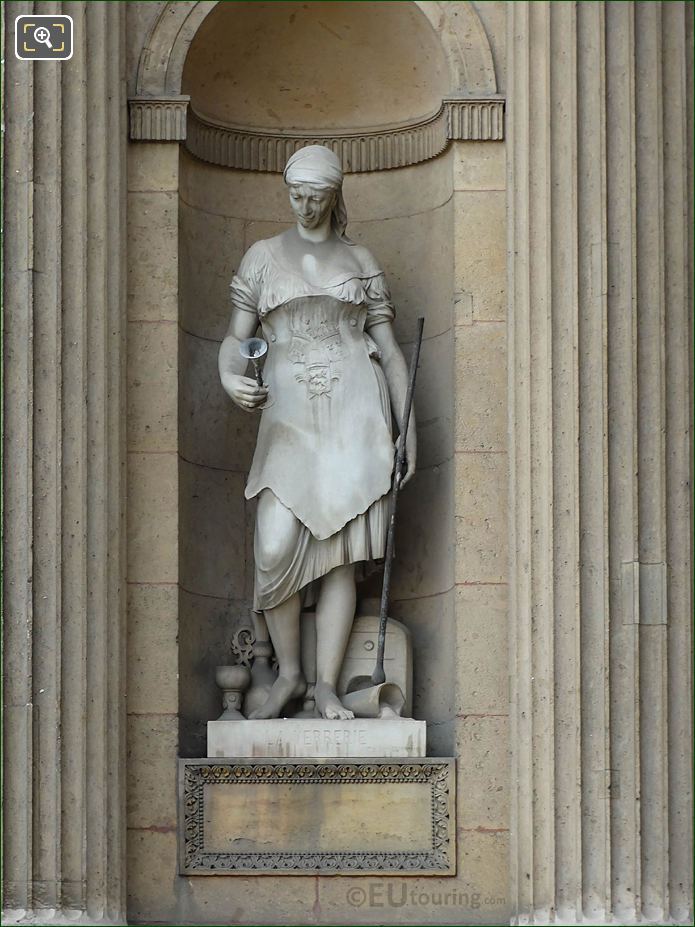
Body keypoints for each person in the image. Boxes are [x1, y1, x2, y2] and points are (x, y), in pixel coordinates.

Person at [218, 145, 416, 720]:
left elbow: (393, 353)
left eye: (315, 197)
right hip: (289, 422)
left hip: (357, 415)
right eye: (296, 195)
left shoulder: (360, 259)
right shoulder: (263, 256)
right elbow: (236, 338)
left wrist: (407, 432)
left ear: (335, 196)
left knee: (341, 558)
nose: (304, 206)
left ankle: (326, 685)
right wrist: (231, 377)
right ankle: (291, 676)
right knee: (274, 544)